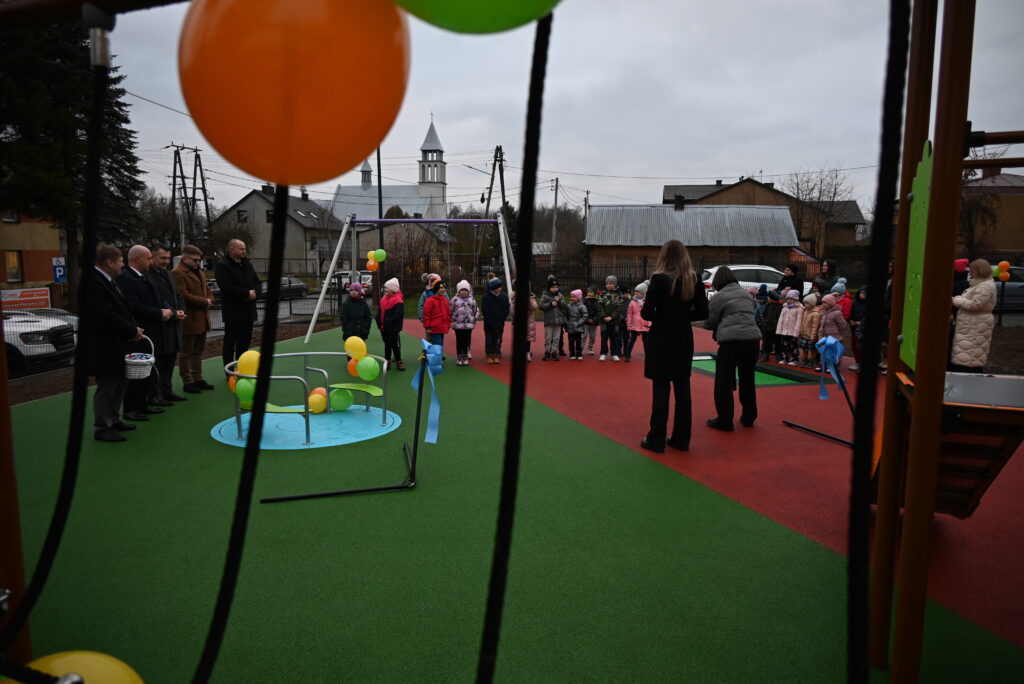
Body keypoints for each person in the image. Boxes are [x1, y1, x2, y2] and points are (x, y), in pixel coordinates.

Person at [639, 239, 709, 453]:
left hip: (661, 337)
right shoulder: (693, 280)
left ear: (664, 256)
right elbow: (703, 312)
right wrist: (682, 317)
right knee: (682, 386)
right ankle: (681, 438)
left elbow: (647, 313)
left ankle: (656, 439)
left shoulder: (659, 279)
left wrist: (664, 315)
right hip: (683, 337)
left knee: (661, 387)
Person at [82, 244, 144, 442]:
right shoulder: (94, 283)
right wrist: (131, 330)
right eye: (120, 262)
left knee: (120, 383)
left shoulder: (108, 281)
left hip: (118, 343)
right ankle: (103, 427)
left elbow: (122, 310)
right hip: (104, 346)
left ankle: (114, 419)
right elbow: (106, 316)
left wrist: (133, 328)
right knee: (107, 387)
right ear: (109, 262)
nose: (122, 265)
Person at [702, 266, 760, 430]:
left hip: (731, 342)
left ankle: (725, 420)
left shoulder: (719, 297)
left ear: (718, 281)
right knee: (748, 379)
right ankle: (749, 417)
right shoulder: (746, 294)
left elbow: (709, 323)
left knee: (724, 382)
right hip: (752, 340)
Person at [117, 245, 170, 421]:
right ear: (137, 259)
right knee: (136, 372)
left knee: (147, 370)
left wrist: (166, 310)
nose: (151, 261)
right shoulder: (126, 278)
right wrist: (159, 313)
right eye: (148, 258)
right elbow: (133, 306)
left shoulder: (145, 276)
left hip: (152, 331)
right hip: (138, 333)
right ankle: (130, 408)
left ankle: (143, 403)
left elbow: (156, 298)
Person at [147, 244, 187, 402]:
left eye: (168, 258)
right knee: (158, 362)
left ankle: (167, 390)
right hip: (159, 325)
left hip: (173, 325)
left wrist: (181, 310)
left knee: (170, 360)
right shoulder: (147, 275)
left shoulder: (169, 274)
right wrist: (173, 313)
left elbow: (178, 295)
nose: (166, 261)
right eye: (162, 258)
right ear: (152, 257)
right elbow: (156, 299)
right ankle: (155, 394)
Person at [173, 244, 215, 393]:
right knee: (187, 352)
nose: (198, 263)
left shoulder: (199, 272)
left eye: (199, 260)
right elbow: (183, 295)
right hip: (189, 320)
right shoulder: (177, 273)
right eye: (195, 260)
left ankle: (198, 378)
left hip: (202, 319)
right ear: (184, 259)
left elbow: (208, 291)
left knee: (198, 350)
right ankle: (187, 381)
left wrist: (209, 299)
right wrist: (205, 301)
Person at [215, 239, 259, 374]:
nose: (244, 251)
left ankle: (241, 368)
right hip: (233, 313)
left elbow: (257, 282)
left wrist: (256, 292)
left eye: (244, 248)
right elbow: (226, 287)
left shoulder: (247, 264)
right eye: (241, 249)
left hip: (248, 312)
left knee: (244, 343)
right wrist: (246, 294)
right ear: (231, 250)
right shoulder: (223, 265)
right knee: (230, 344)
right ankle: (229, 372)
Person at [950, 259, 997, 373]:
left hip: (975, 325)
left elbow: (975, 305)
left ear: (979, 271)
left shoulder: (984, 287)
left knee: (970, 356)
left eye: (972, 270)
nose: (970, 273)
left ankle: (968, 377)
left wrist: (956, 300)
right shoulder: (980, 284)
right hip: (972, 324)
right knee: (968, 354)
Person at [376, 277, 405, 371]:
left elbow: (398, 314)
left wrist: (389, 321)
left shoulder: (398, 300)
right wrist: (378, 320)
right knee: (387, 344)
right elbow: (380, 311)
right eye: (385, 288)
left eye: (387, 288)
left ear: (393, 289)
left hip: (393, 327)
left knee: (394, 344)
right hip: (383, 326)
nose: (385, 289)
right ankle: (387, 360)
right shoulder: (383, 299)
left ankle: (398, 361)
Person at [538, 276, 568, 361]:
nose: (555, 289)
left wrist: (559, 302)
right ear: (549, 288)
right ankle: (547, 352)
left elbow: (564, 305)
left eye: (556, 287)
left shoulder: (560, 295)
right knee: (548, 338)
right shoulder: (545, 295)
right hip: (549, 321)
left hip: (558, 322)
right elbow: (541, 306)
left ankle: (554, 352)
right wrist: (550, 304)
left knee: (556, 338)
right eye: (553, 287)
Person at [482, 277, 511, 364]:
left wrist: (502, 317)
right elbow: (485, 310)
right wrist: (490, 321)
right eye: (497, 287)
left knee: (498, 339)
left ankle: (496, 354)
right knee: (489, 340)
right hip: (489, 324)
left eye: (500, 287)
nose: (499, 288)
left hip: (499, 323)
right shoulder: (486, 297)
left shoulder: (504, 297)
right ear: (493, 288)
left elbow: (506, 309)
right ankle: (489, 355)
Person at [817, 293, 849, 370]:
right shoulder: (823, 312)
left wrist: (838, 333)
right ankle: (824, 364)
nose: (823, 304)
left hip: (834, 336)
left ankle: (833, 365)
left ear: (831, 303)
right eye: (822, 302)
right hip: (824, 335)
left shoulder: (837, 313)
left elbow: (842, 324)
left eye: (825, 303)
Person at [451, 279, 478, 366]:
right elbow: (451, 310)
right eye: (462, 290)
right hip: (458, 325)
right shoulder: (455, 300)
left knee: (466, 341)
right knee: (459, 341)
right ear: (458, 291)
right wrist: (453, 320)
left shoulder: (472, 300)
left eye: (466, 290)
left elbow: (474, 310)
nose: (464, 292)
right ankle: (459, 358)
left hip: (468, 325)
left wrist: (472, 319)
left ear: (469, 291)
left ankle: (465, 357)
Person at [775, 289, 804, 366]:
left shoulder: (799, 308)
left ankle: (794, 359)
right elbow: (781, 319)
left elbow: (799, 321)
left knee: (793, 346)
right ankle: (786, 358)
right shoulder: (785, 307)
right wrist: (779, 330)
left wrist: (796, 332)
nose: (789, 300)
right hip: (785, 330)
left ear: (796, 299)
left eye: (791, 299)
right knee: (785, 345)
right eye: (788, 298)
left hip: (793, 331)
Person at [598, 275, 623, 361]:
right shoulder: (602, 294)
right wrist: (604, 316)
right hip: (604, 320)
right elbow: (599, 306)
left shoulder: (619, 294)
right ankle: (603, 353)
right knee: (604, 338)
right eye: (607, 283)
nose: (608, 285)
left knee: (614, 338)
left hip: (614, 321)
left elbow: (619, 307)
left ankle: (614, 353)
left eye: (610, 283)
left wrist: (612, 317)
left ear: (615, 284)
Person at [422, 275, 451, 349]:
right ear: (436, 289)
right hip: (434, 328)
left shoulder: (445, 300)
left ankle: (434, 355)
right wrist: (427, 327)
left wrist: (448, 324)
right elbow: (427, 314)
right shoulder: (430, 300)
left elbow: (447, 313)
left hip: (442, 328)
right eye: (441, 288)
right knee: (438, 345)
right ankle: (432, 355)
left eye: (444, 288)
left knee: (439, 345)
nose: (443, 289)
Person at [624, 280, 651, 362]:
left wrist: (649, 324)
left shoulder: (648, 302)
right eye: (636, 291)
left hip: (645, 324)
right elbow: (629, 314)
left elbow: (650, 314)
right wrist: (629, 324)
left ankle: (648, 357)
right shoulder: (632, 302)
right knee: (632, 341)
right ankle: (627, 355)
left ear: (643, 293)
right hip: (635, 325)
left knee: (646, 342)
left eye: (638, 291)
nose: (636, 293)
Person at [509, 285, 536, 362]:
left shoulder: (531, 298)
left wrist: (530, 299)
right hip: (519, 322)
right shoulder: (515, 298)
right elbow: (512, 310)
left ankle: (527, 353)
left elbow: (534, 307)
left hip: (528, 322)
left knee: (528, 339)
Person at [798, 292, 821, 369]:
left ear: (811, 304)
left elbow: (815, 326)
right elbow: (802, 322)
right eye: (804, 303)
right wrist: (801, 332)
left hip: (811, 335)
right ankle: (805, 360)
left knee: (812, 350)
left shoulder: (816, 314)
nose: (804, 304)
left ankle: (811, 361)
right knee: (804, 348)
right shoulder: (805, 311)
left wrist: (813, 336)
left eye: (806, 303)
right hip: (804, 334)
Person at [848, 286, 868, 371]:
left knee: (863, 347)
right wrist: (851, 320)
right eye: (861, 293)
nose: (861, 295)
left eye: (864, 293)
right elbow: (850, 314)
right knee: (855, 346)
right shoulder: (855, 303)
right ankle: (858, 362)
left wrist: (861, 323)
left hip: (865, 329)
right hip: (855, 328)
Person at [762, 289, 784, 362]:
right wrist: (765, 321)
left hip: (776, 327)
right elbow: (764, 314)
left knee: (778, 341)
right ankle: (765, 354)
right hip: (767, 326)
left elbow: (780, 316)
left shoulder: (780, 306)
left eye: (769, 297)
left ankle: (779, 354)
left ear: (772, 298)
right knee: (766, 341)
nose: (768, 298)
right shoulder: (768, 305)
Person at [566, 289, 588, 360]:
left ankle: (579, 354)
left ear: (578, 297)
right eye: (571, 297)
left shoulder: (582, 306)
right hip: (570, 327)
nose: (572, 298)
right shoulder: (569, 306)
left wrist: (578, 323)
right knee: (571, 341)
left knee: (579, 341)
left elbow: (585, 316)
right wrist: (567, 323)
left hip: (578, 327)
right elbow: (566, 315)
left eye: (574, 297)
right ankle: (572, 354)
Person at [583, 285, 600, 355]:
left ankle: (590, 348)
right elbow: (583, 311)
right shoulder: (584, 301)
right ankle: (581, 348)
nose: (589, 293)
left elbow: (599, 312)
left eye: (591, 292)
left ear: (595, 293)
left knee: (592, 336)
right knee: (584, 335)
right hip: (585, 322)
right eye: (588, 292)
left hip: (594, 322)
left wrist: (594, 319)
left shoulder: (598, 301)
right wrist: (587, 319)